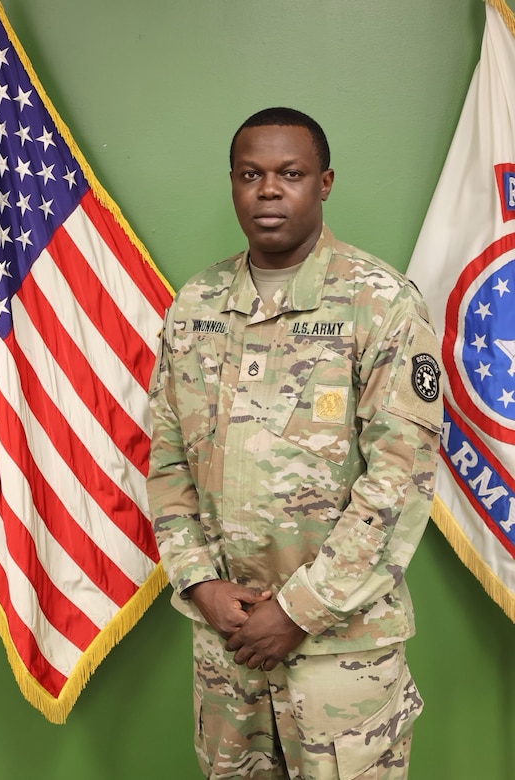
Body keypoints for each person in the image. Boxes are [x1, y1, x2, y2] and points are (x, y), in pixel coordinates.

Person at [147, 107, 443, 780]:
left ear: (325, 182)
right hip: (228, 654)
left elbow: (400, 479)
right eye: (251, 175)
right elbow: (165, 462)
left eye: (291, 173)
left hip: (341, 657)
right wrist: (198, 582)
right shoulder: (196, 306)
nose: (269, 190)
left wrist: (298, 609)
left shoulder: (381, 303)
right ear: (232, 184)